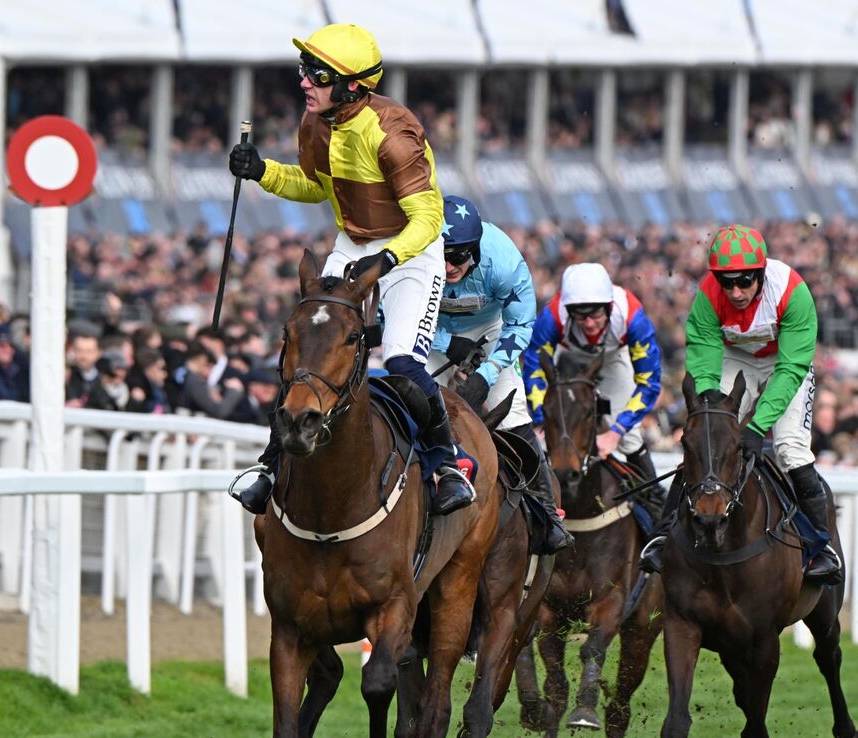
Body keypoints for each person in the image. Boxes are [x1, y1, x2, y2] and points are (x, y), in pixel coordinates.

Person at [228, 22, 473, 516]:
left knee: (401, 364)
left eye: (317, 74)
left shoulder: (393, 132)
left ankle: (449, 465)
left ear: (354, 85)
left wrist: (385, 260)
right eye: (304, 70)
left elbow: (428, 218)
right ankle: (272, 466)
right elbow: (315, 187)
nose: (305, 82)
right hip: (354, 243)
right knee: (309, 345)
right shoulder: (316, 122)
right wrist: (262, 172)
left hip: (410, 250)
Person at [637, 224, 842, 583]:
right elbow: (703, 360)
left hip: (784, 362)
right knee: (708, 440)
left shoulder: (793, 293)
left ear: (761, 273)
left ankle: (820, 546)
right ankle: (663, 534)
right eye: (727, 282)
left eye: (745, 281)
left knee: (790, 448)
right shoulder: (707, 297)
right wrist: (709, 413)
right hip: (736, 358)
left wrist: (756, 427)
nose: (735, 292)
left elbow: (790, 369)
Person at [430, 195, 573, 553]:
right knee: (411, 400)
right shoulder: (415, 253)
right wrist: (448, 342)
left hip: (492, 330)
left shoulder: (505, 262)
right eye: (442, 256)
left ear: (476, 249)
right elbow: (389, 314)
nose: (448, 267)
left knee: (512, 416)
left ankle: (546, 515)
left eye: (458, 257)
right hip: (430, 329)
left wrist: (487, 373)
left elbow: (521, 324)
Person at [520, 261, 664, 517]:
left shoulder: (633, 317)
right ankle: (530, 505)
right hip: (567, 358)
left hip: (613, 358)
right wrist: (543, 418)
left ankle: (654, 503)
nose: (588, 323)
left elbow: (649, 382)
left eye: (595, 314)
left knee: (629, 438)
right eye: (580, 315)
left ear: (609, 307)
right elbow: (534, 368)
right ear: (568, 310)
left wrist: (616, 432)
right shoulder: (552, 317)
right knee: (544, 436)